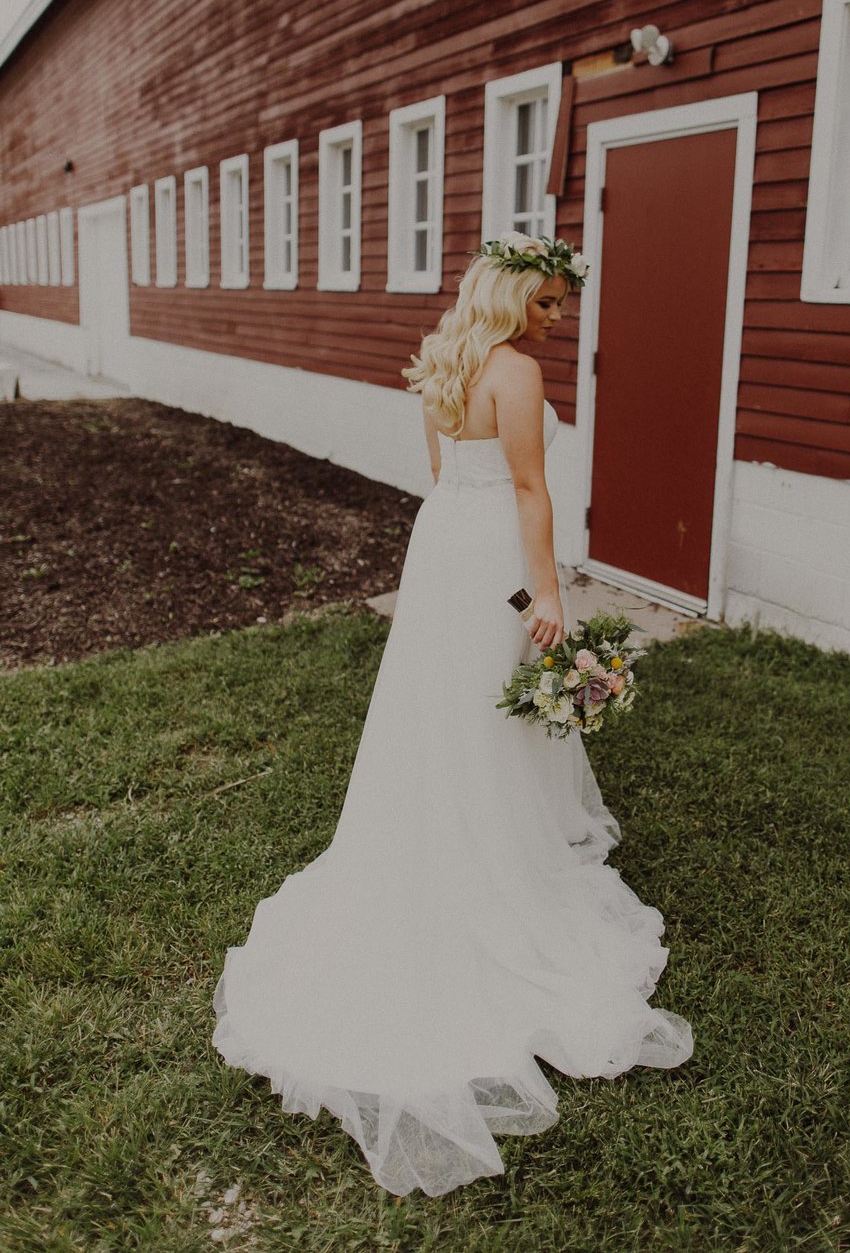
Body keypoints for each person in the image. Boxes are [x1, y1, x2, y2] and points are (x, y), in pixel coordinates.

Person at [211, 233, 693, 1197]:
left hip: (441, 548)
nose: (557, 321)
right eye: (548, 303)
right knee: (486, 708)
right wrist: (544, 594)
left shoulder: (444, 357)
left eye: (562, 306)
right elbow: (527, 487)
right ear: (514, 294)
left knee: (443, 704)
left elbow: (445, 476)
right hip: (490, 553)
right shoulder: (511, 371)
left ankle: (441, 826)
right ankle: (486, 858)